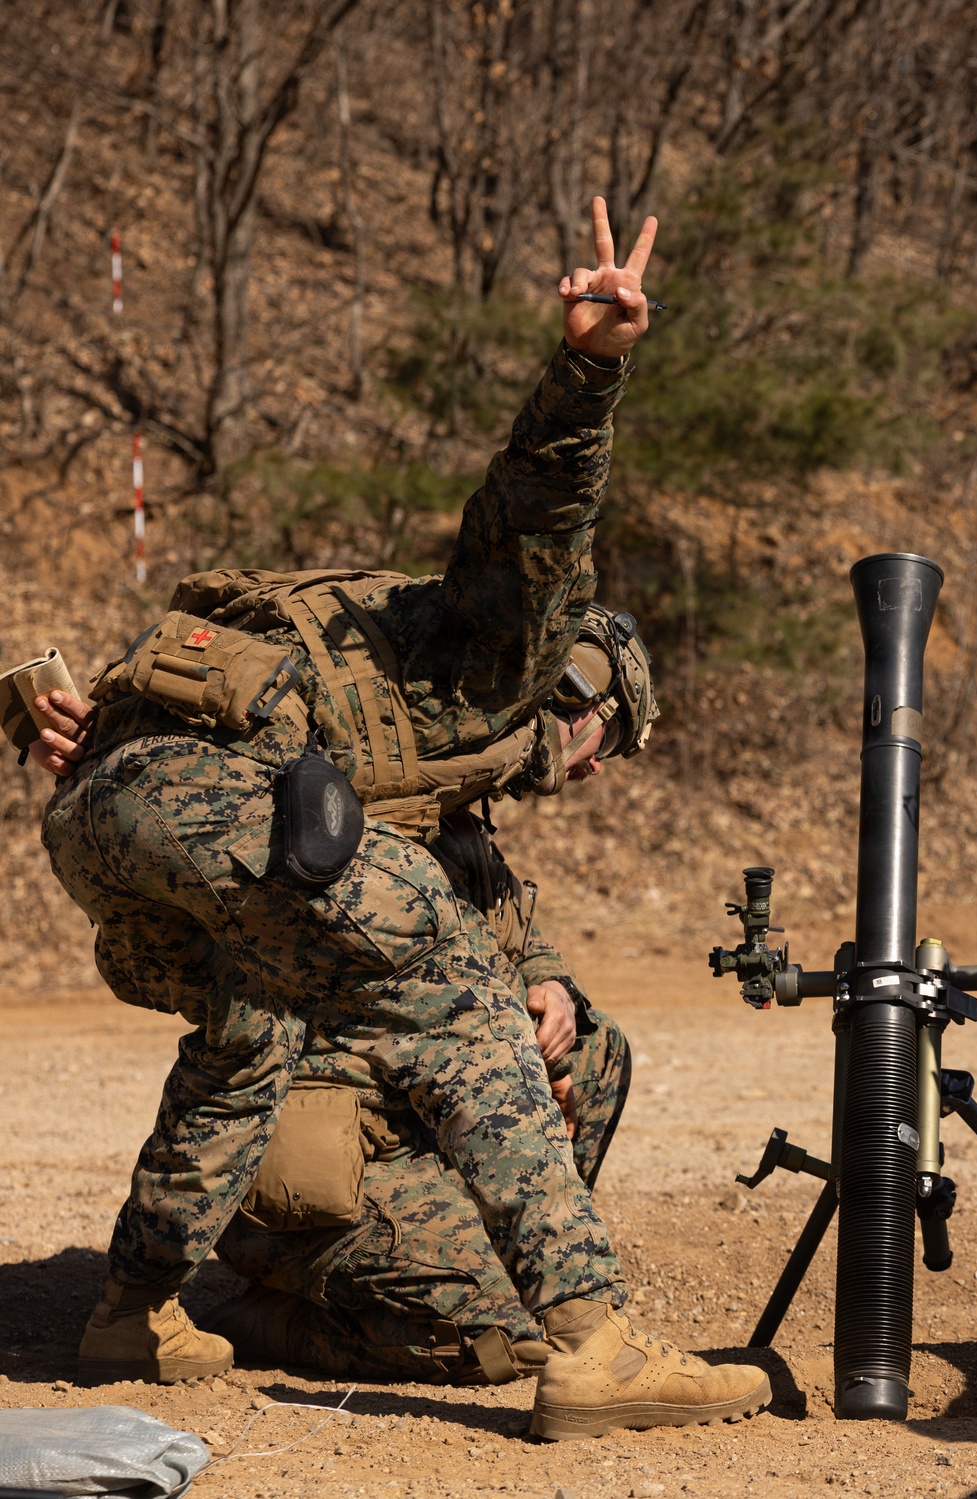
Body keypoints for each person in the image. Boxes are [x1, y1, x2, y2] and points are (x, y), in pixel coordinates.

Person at [33, 199, 772, 1438]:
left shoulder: (396, 720)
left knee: (250, 1018)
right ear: (577, 693)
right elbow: (535, 517)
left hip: (113, 813)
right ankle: (593, 1343)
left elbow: (449, 878)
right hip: (203, 802)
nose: (590, 767)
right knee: (445, 980)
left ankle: (131, 1311)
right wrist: (589, 370)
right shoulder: (493, 652)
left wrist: (542, 975)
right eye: (604, 738)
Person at [206, 806, 631, 1387]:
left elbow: (514, 935)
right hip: (332, 1166)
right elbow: (447, 986)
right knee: (505, 1340)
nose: (597, 770)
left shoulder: (444, 822)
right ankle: (287, 1321)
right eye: (598, 750)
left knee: (594, 1044)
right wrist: (526, 1039)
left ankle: (510, 1254)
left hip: (417, 1126)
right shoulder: (334, 825)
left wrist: (552, 985)